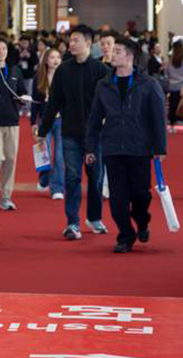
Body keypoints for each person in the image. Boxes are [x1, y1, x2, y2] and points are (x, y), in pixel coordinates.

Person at [85, 38, 167, 253]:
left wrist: (160, 148)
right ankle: (125, 235)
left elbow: (158, 118)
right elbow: (94, 119)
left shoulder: (148, 84)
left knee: (141, 195)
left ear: (130, 56)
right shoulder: (103, 85)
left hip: (139, 148)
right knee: (117, 199)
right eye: (113, 51)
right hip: (112, 149)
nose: (112, 54)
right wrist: (90, 147)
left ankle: (142, 221)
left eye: (118, 51)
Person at [37, 24, 111, 240]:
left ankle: (94, 218)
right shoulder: (63, 70)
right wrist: (43, 130)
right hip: (70, 133)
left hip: (95, 136)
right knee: (72, 177)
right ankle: (72, 223)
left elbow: (110, 103)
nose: (71, 43)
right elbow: (53, 103)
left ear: (88, 43)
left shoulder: (101, 70)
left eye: (76, 40)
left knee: (96, 178)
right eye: (70, 40)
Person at [0, 37, 26, 211]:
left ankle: (6, 196)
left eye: (3, 49)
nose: (1, 52)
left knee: (10, 159)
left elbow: (22, 91)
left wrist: (23, 98)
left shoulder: (15, 70)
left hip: (12, 121)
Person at [31, 48, 66, 200]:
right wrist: (33, 122)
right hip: (44, 121)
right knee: (45, 154)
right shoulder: (38, 78)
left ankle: (57, 188)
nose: (56, 60)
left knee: (59, 156)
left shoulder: (65, 77)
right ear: (46, 60)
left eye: (58, 57)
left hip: (61, 120)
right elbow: (35, 103)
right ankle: (44, 178)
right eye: (52, 57)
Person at [167, 41, 183, 131]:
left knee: (172, 105)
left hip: (172, 84)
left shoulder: (170, 59)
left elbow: (167, 72)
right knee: (180, 105)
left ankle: (172, 124)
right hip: (181, 85)